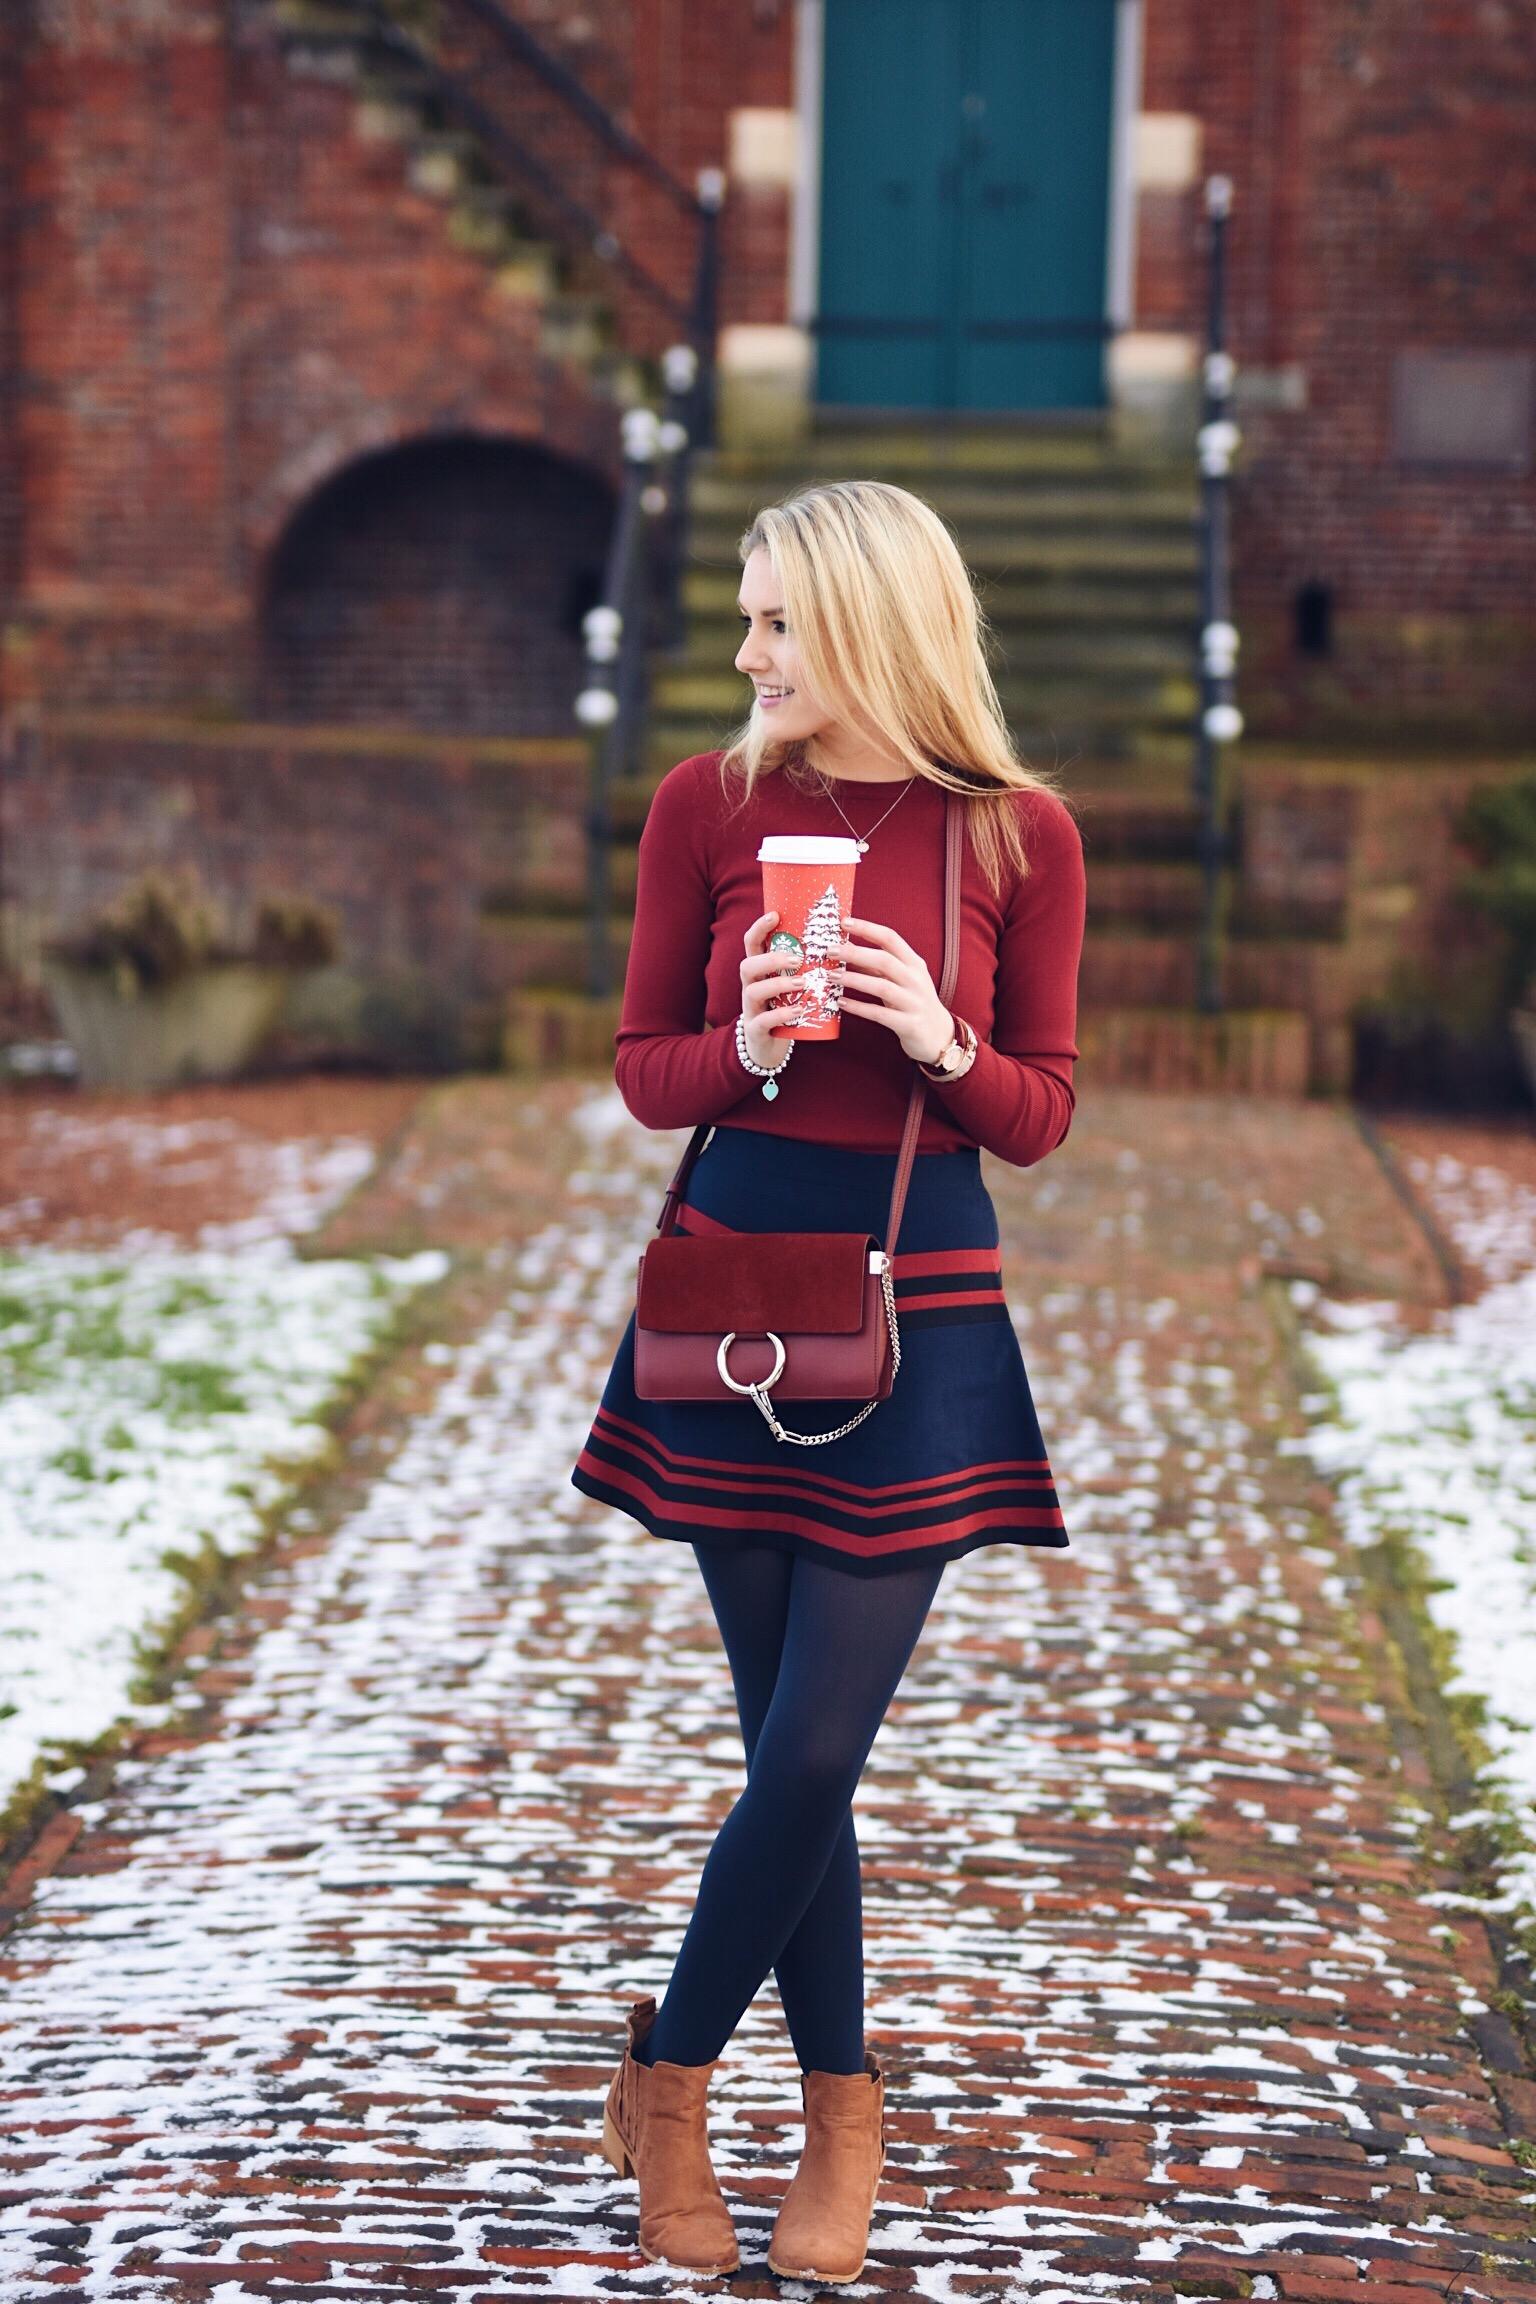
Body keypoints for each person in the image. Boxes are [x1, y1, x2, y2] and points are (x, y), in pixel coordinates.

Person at [571, 478, 1087, 2281]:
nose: (745, 650)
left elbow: (1036, 1112)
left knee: (814, 1744)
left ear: (869, 624)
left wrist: (935, 1035)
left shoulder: (1017, 835)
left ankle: (675, 2071)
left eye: (777, 619)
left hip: (921, 1313)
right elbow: (646, 1068)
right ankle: (838, 2105)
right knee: (788, 1749)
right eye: (743, 611)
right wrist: (754, 1040)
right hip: (732, 1298)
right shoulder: (704, 806)